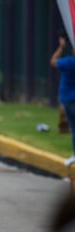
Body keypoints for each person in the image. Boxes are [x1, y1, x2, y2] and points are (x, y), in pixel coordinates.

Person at [50, 34, 75, 166]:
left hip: (67, 99)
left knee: (74, 128)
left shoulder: (69, 62)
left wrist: (61, 47)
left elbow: (53, 61)